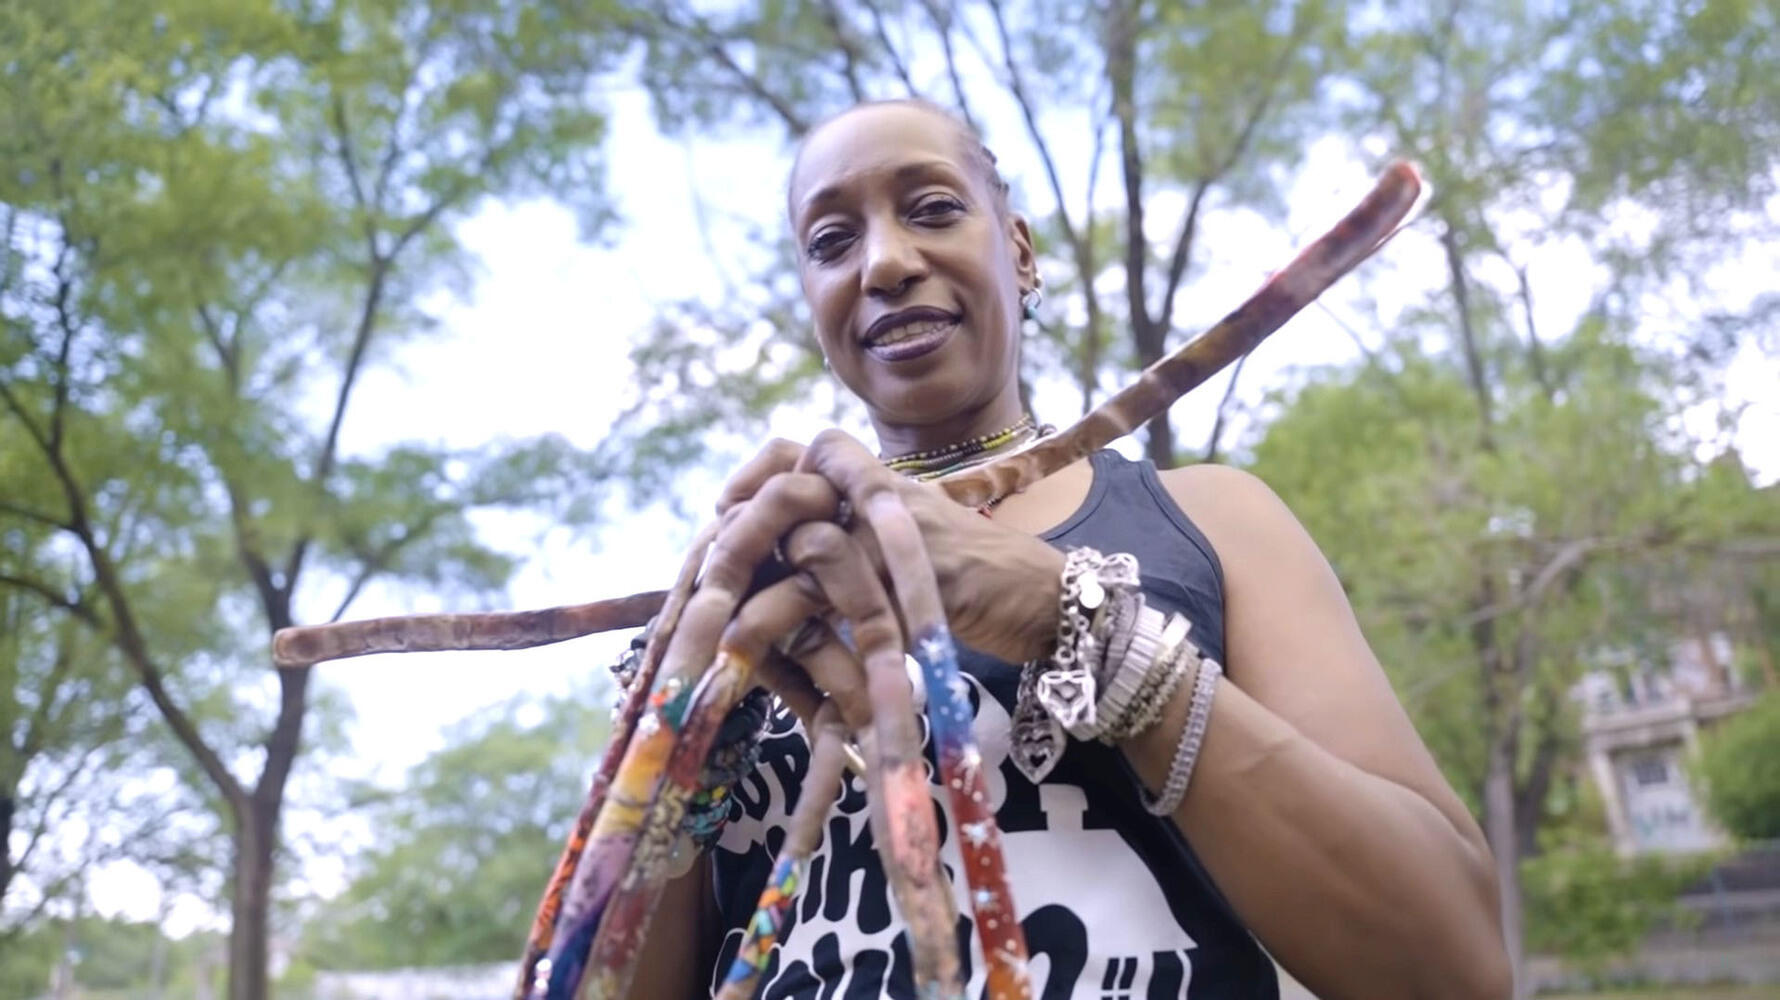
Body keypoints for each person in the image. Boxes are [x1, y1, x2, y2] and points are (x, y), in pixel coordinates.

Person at [621, 99, 1511, 1000]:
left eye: (932, 209)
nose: (883, 262)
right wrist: (673, 738)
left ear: (1020, 253)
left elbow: (1453, 967)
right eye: (831, 243)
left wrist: (1078, 627)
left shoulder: (1210, 520)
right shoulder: (739, 602)